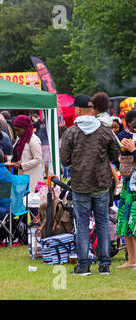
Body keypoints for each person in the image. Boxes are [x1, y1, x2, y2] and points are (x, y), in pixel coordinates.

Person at [60, 94, 120, 275]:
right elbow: (115, 154)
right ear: (91, 110)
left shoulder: (71, 132)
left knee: (83, 224)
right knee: (102, 223)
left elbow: (64, 160)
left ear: (77, 110)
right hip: (101, 184)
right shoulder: (104, 130)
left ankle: (84, 265)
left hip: (80, 185)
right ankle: (104, 265)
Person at [115, 138, 136, 269]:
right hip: (128, 186)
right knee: (124, 221)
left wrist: (133, 150)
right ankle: (132, 259)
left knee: (134, 222)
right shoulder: (129, 138)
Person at [11, 115, 44, 194]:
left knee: (28, 201)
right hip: (20, 176)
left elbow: (38, 159)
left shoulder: (34, 140)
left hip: (30, 177)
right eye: (15, 130)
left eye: (18, 130)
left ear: (25, 128)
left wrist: (22, 165)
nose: (16, 133)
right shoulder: (20, 138)